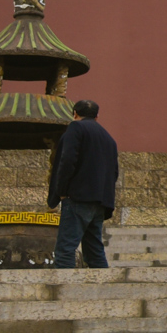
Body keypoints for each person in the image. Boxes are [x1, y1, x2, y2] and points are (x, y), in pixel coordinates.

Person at [46, 99, 118, 269]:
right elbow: (114, 172)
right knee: (94, 249)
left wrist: (62, 190)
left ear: (75, 114)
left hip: (78, 197)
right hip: (100, 201)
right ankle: (102, 289)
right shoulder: (109, 138)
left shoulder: (76, 128)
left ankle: (64, 291)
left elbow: (67, 160)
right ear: (97, 116)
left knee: (65, 249)